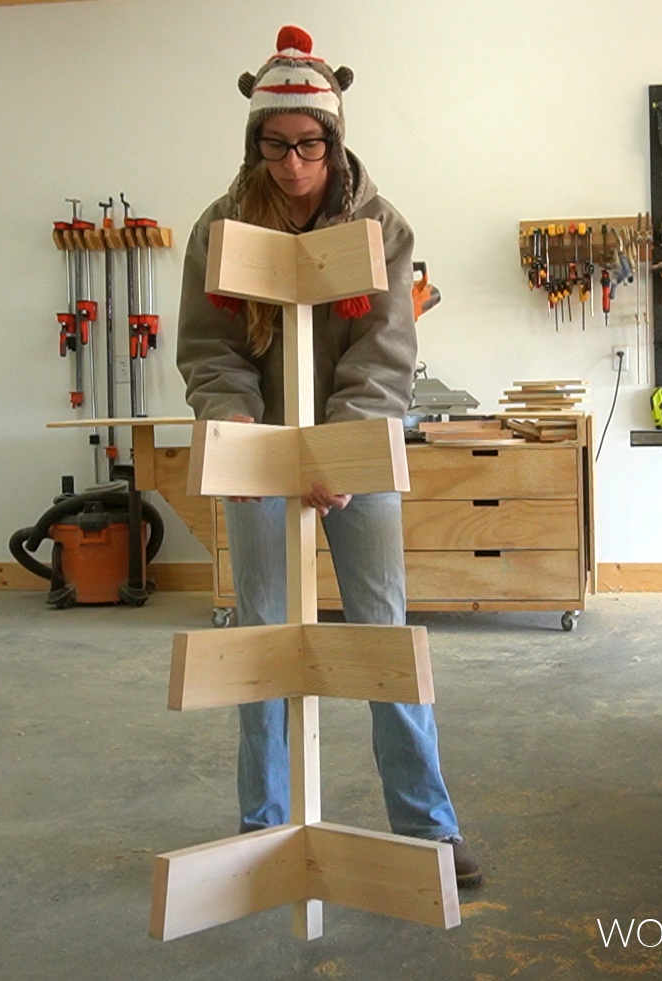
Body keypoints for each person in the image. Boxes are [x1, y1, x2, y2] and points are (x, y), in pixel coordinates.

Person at [175, 25, 481, 889]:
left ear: (334, 140)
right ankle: (261, 833)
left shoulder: (380, 226)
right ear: (255, 140)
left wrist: (342, 452)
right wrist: (245, 437)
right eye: (274, 146)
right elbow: (211, 351)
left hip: (357, 453)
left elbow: (384, 351)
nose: (293, 164)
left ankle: (429, 832)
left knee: (384, 640)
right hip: (259, 459)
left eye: (309, 144)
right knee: (264, 642)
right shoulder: (222, 227)